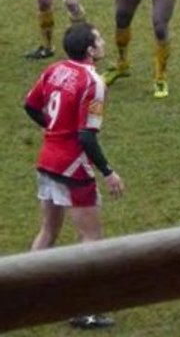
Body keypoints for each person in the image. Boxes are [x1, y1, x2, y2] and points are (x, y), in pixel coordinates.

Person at [24, 22, 125, 330]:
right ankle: (84, 310)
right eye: (99, 39)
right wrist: (108, 172)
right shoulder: (94, 82)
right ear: (91, 50)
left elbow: (30, 105)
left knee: (48, 232)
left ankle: (23, 291)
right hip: (72, 167)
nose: (103, 41)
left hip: (47, 160)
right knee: (91, 239)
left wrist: (50, 127)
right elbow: (86, 136)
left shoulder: (54, 69)